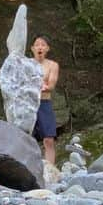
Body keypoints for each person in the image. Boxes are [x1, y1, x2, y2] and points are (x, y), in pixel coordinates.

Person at [30, 35, 60, 165]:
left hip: (44, 102)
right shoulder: (27, 64)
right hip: (29, 103)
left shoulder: (52, 65)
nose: (40, 47)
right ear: (32, 48)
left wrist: (43, 86)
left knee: (48, 139)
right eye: (37, 45)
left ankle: (50, 168)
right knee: (26, 137)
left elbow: (51, 85)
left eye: (43, 45)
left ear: (47, 48)